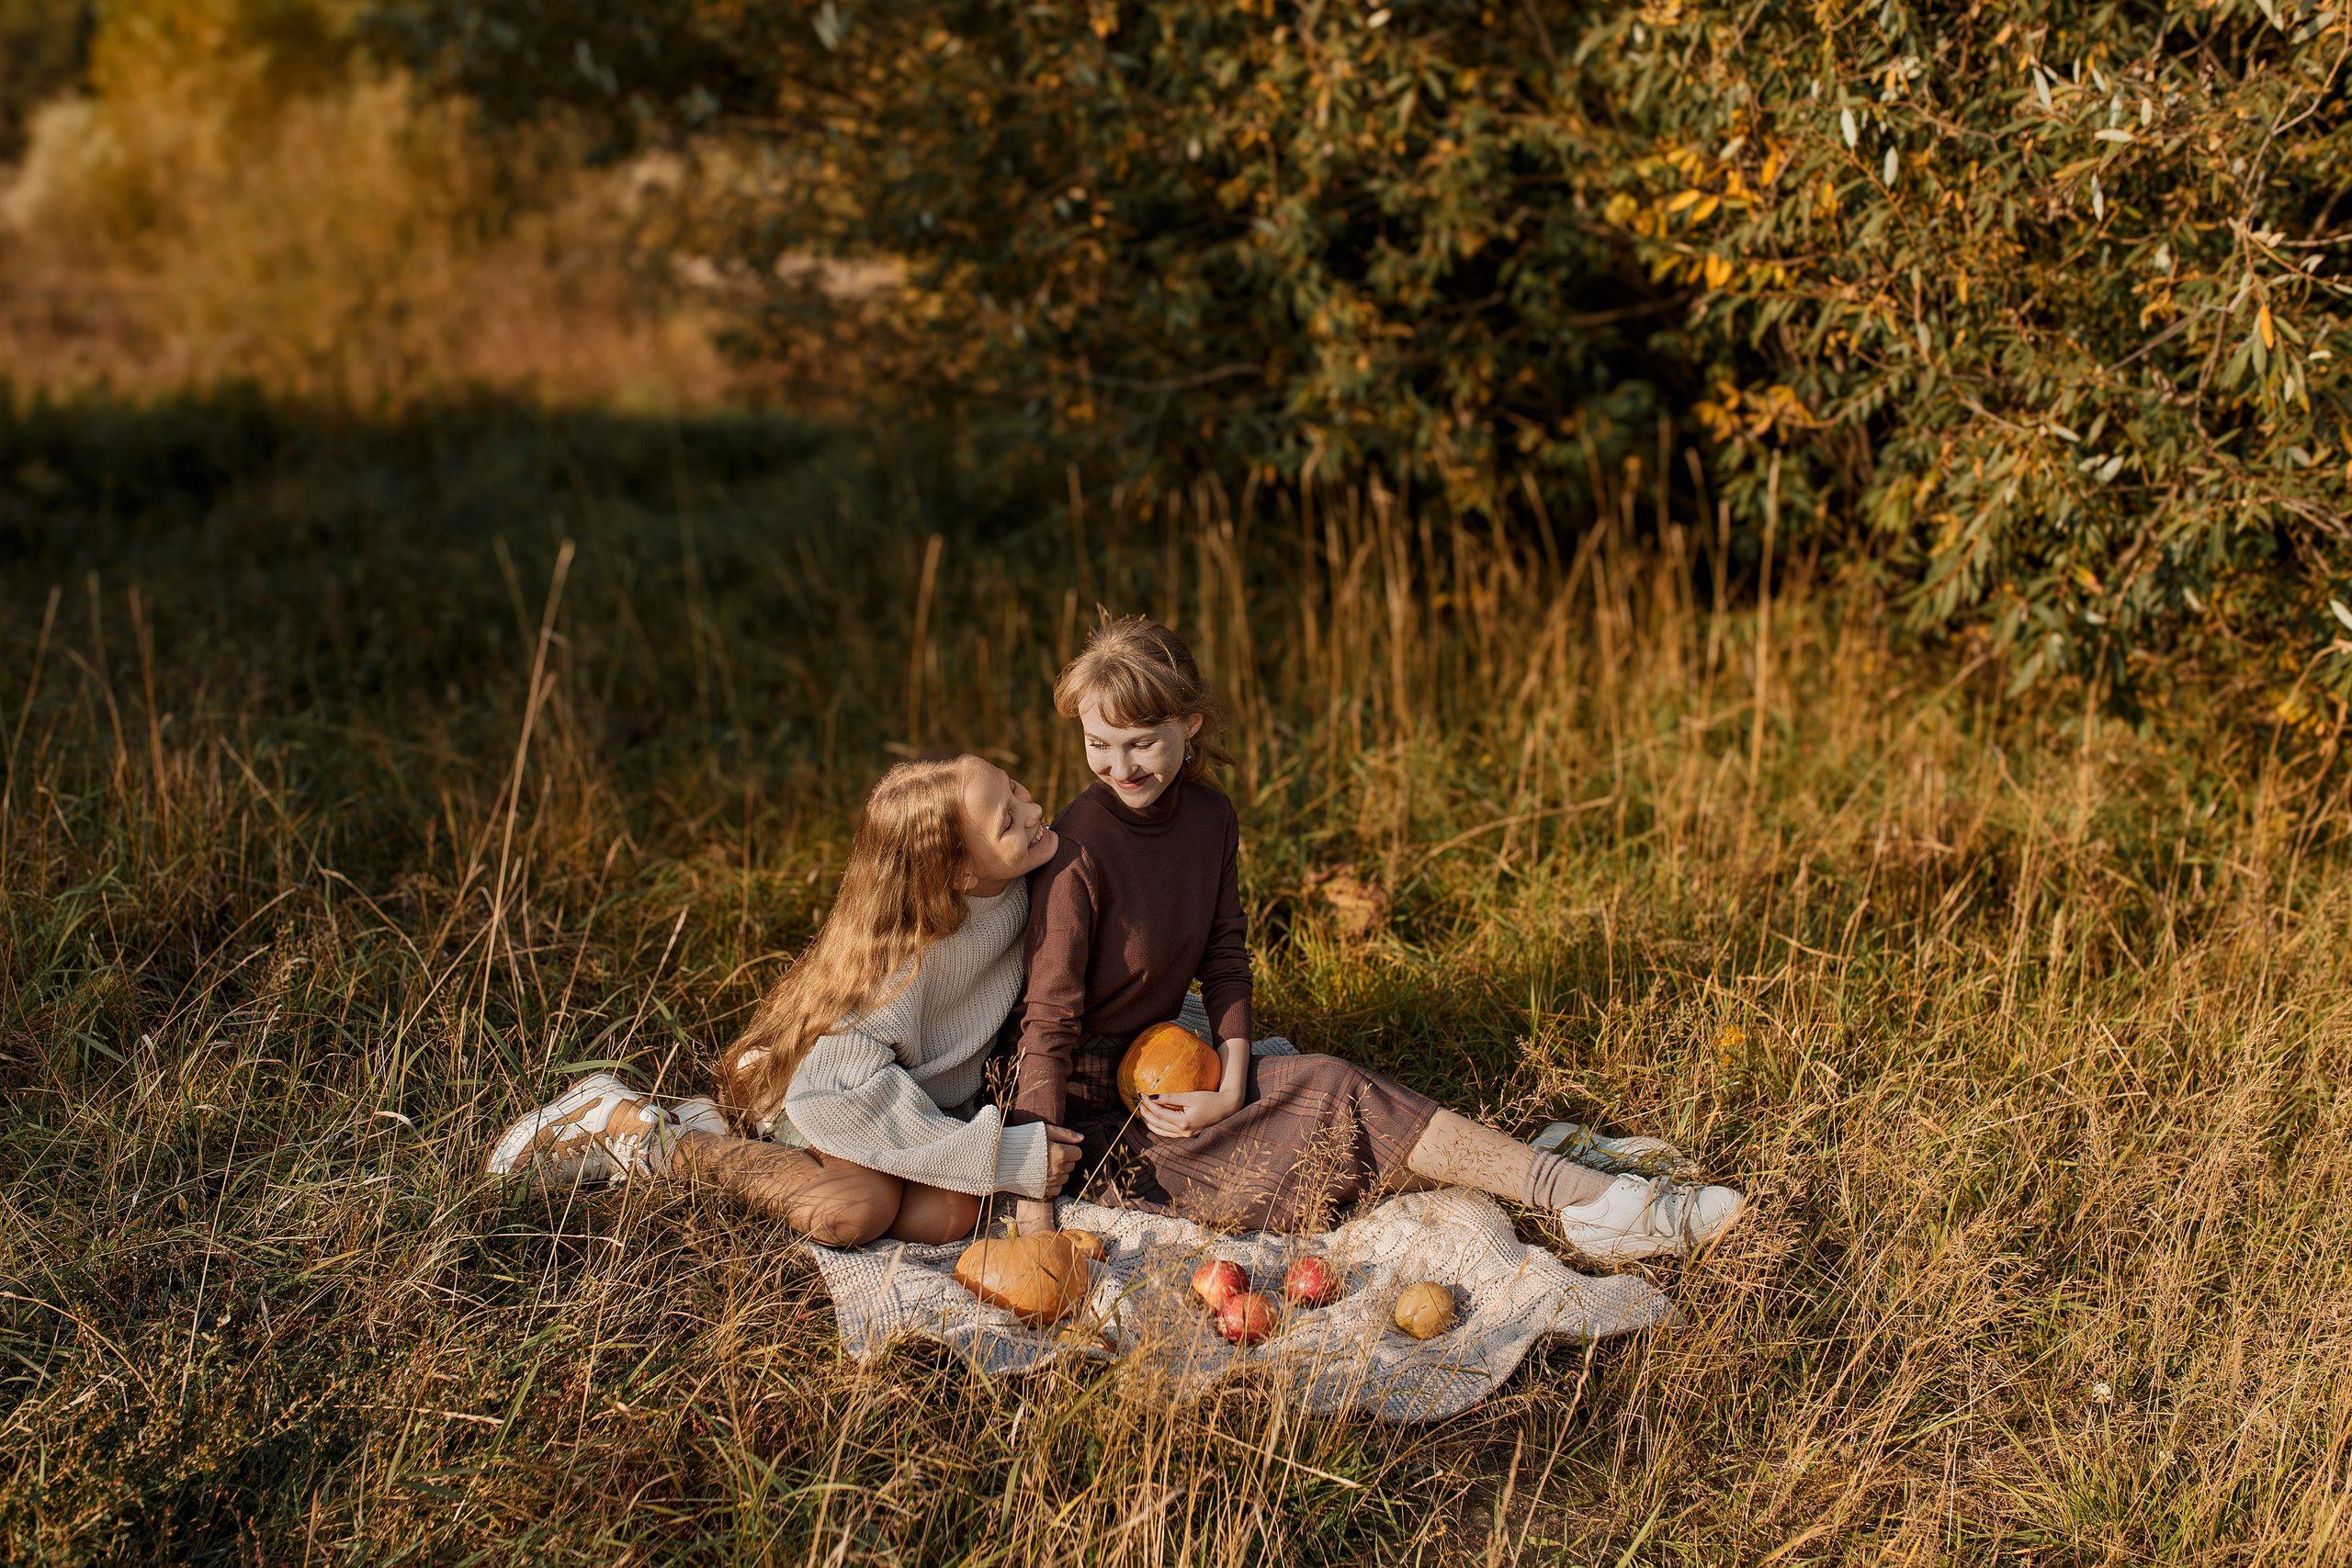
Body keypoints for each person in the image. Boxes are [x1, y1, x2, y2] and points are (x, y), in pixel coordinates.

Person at [1009, 617, 1746, 1261]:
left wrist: (1232, 1085)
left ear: (1191, 724)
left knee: (1335, 1099)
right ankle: (1589, 1196)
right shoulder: (1079, 852)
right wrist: (1034, 1196)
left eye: (1141, 744)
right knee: (1335, 1098)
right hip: (1097, 1127)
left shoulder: (1208, 817)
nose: (1119, 767)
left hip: (1179, 1072)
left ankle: (1575, 1186)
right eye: (1098, 743)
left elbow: (1225, 958)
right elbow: (1047, 1027)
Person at [484, 755, 1086, 1247]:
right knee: (853, 1211)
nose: (1034, 811)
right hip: (818, 1097)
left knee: (952, 1213)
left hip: (901, 1100)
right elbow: (837, 1094)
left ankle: (718, 1129)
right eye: (1008, 820)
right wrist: (1002, 1153)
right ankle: (645, 1136)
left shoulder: (1031, 887)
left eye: (1015, 787)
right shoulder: (908, 958)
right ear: (956, 872)